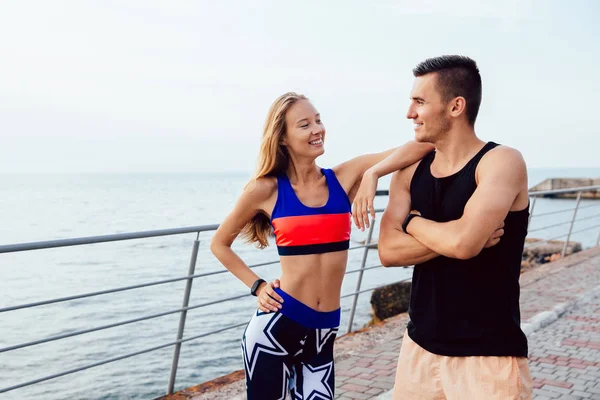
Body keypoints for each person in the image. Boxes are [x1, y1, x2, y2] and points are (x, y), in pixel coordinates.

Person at [209, 92, 433, 400]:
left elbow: (423, 145)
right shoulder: (265, 189)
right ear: (283, 138)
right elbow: (220, 244)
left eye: (318, 120)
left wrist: (373, 172)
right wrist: (258, 286)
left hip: (323, 333)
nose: (317, 129)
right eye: (304, 124)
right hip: (274, 332)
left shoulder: (342, 178)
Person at [369, 55, 533, 399]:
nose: (409, 113)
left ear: (456, 106)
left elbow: (462, 245)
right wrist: (459, 234)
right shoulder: (410, 170)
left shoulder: (501, 161)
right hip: (418, 351)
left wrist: (412, 222)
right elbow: (388, 251)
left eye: (419, 102)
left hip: (487, 358)